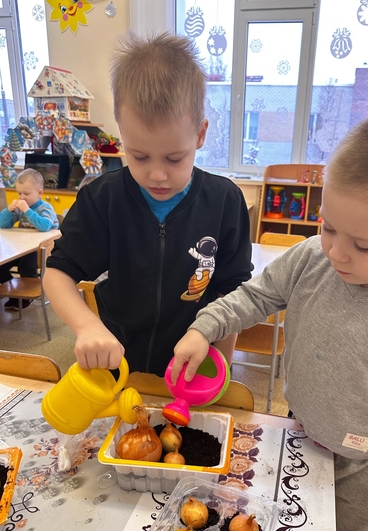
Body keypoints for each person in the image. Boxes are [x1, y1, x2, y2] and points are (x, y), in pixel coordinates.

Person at [170, 109, 368, 531]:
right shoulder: (312, 258)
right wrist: (205, 327)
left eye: (363, 245)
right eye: (329, 226)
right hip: (299, 433)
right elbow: (255, 295)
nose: (337, 252)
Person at [44, 32, 252, 376]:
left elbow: (234, 293)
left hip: (192, 369)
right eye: (139, 156)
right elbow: (57, 274)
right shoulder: (103, 198)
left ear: (200, 135)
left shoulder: (224, 201)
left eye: (174, 158)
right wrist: (87, 326)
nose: (157, 175)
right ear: (122, 132)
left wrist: (222, 369)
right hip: (118, 366)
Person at [0, 168, 59, 310]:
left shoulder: (45, 208)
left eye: (26, 194)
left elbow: (44, 226)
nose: (22, 197)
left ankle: (26, 297)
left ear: (40, 193)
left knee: (26, 265)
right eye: (19, 193)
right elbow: (3, 224)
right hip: (21, 248)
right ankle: (15, 293)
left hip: (40, 250)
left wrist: (27, 210)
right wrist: (9, 210)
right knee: (1, 265)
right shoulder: (19, 208)